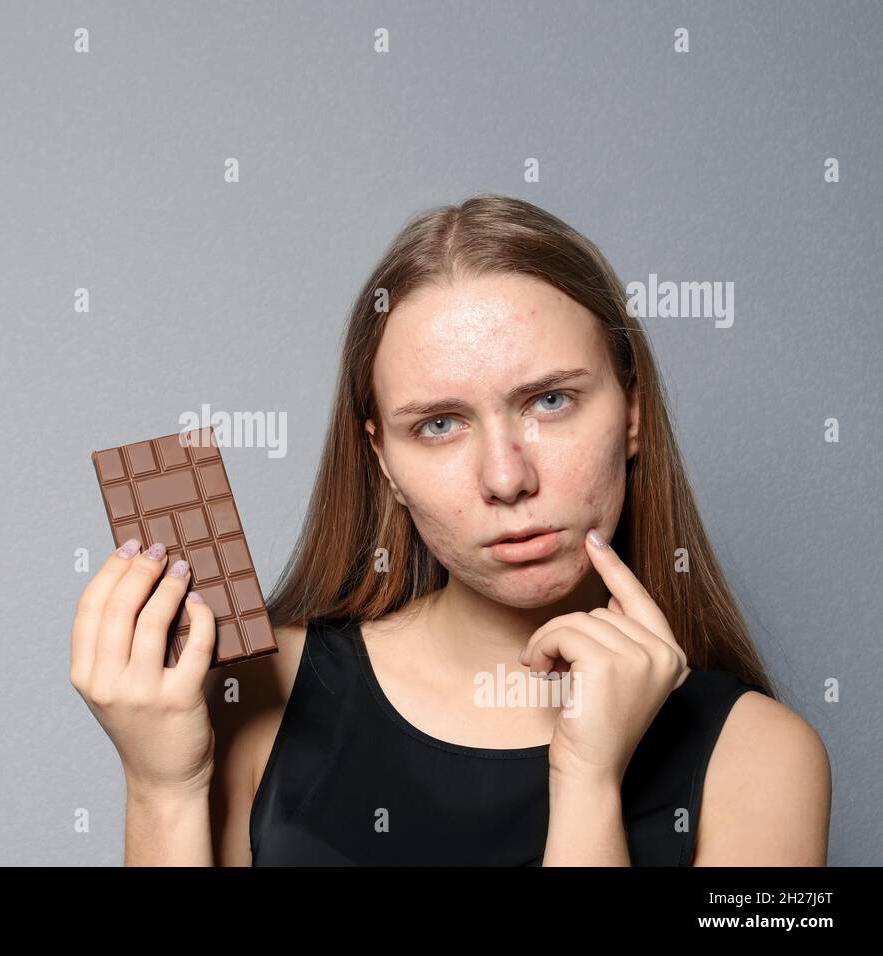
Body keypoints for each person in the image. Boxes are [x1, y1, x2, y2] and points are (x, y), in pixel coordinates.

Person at [70, 194, 831, 866]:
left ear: (631, 412)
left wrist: (589, 783)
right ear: (384, 458)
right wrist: (161, 787)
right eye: (439, 423)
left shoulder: (762, 760)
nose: (506, 478)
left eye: (550, 402)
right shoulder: (255, 694)